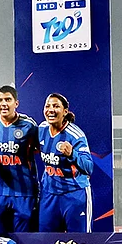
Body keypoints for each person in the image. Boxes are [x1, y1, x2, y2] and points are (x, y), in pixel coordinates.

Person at [0, 85, 39, 234]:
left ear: (16, 103)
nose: (4, 104)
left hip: (24, 191)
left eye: (8, 99)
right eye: (0, 100)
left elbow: (41, 148)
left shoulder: (29, 125)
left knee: (24, 238)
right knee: (0, 237)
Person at [38, 93, 94, 232]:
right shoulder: (41, 129)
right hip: (49, 194)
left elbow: (89, 167)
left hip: (74, 194)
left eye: (56, 106)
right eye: (47, 106)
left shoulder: (75, 135)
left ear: (65, 111)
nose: (51, 110)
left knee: (80, 240)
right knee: (46, 241)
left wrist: (72, 154)